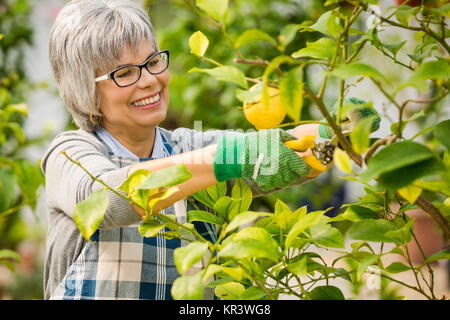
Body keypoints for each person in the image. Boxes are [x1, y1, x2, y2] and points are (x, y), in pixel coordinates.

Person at [41, 0, 379, 300]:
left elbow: (269, 153)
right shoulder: (70, 154)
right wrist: (230, 158)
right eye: (125, 73)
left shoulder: (185, 147)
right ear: (84, 87)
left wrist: (334, 131)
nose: (148, 80)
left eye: (153, 62)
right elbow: (106, 201)